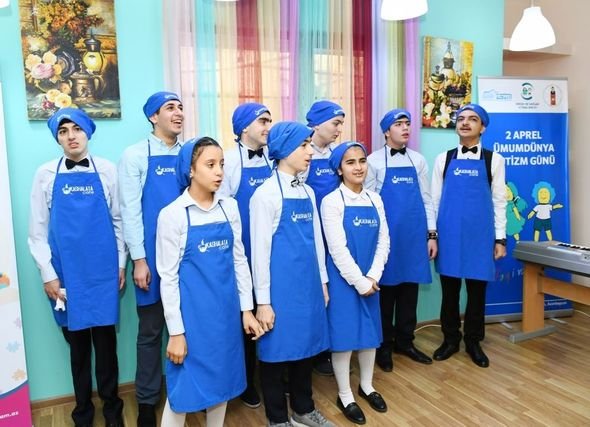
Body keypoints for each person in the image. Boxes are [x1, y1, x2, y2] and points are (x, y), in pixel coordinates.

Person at [28, 108, 126, 427]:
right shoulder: (45, 174)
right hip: (66, 275)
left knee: (106, 347)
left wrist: (121, 264)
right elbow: (37, 231)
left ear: (88, 132)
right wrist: (48, 274)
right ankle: (82, 412)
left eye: (77, 129)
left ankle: (113, 410)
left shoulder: (108, 170)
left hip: (103, 273)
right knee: (78, 349)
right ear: (57, 138)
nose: (71, 136)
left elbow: (118, 221)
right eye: (63, 131)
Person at [156, 137, 264, 427]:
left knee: (222, 385)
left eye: (222, 165)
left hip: (225, 318)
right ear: (190, 170)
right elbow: (168, 279)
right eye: (210, 165)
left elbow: (239, 261)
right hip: (192, 322)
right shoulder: (173, 215)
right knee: (182, 393)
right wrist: (176, 333)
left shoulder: (230, 208)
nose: (219, 172)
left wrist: (247, 310)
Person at [251, 122, 335, 427]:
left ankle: (303, 409)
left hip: (308, 286)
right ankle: (277, 419)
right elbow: (259, 254)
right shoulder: (265, 195)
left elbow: (317, 242)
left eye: (310, 144)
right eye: (303, 145)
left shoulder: (309, 192)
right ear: (285, 149)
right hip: (279, 290)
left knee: (305, 347)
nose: (310, 151)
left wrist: (323, 282)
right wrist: (263, 302)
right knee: (275, 353)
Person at [118, 91, 183, 426]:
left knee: (189, 328)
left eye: (181, 107)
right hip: (152, 258)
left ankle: (187, 393)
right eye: (170, 108)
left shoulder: (190, 154)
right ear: (153, 117)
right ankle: (146, 400)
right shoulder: (134, 155)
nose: (178, 112)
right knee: (151, 332)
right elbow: (130, 211)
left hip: (188, 256)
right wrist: (139, 260)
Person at [430, 103, 507, 368]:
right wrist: (432, 235)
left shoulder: (494, 160)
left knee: (477, 293)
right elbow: (434, 201)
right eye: (461, 118)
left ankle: (473, 341)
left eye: (472, 119)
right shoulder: (443, 159)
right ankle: (450, 339)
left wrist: (500, 239)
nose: (464, 123)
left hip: (480, 238)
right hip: (449, 236)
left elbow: (499, 202)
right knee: (449, 292)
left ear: (482, 127)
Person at [322, 142, 390, 425]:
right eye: (350, 162)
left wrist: (373, 275)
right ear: (340, 169)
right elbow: (337, 249)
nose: (358, 167)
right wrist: (360, 282)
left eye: (362, 161)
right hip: (344, 280)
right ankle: (345, 394)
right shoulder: (331, 202)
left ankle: (367, 385)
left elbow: (384, 240)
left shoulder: (375, 199)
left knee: (369, 334)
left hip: (371, 279)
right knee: (344, 337)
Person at [365, 109, 437, 372]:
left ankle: (406, 342)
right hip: (386, 239)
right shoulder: (373, 161)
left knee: (409, 293)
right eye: (398, 124)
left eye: (407, 123)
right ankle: (384, 346)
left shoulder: (418, 160)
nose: (405, 128)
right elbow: (369, 202)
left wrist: (431, 234)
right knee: (386, 295)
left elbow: (427, 199)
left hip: (414, 238)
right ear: (386, 131)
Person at [218, 102, 273, 408]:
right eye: (262, 121)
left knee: (273, 314)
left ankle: (274, 376)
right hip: (243, 252)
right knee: (247, 319)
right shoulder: (228, 161)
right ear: (244, 127)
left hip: (271, 252)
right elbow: (223, 210)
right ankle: (248, 382)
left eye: (269, 121)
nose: (268, 127)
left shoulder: (273, 157)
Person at [303, 100, 346, 376]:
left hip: (334, 233)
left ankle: (329, 351)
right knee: (313, 295)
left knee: (332, 294)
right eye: (335, 123)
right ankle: (311, 353)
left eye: (341, 124)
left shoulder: (337, 155)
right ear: (317, 124)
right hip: (309, 233)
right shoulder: (301, 153)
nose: (339, 129)